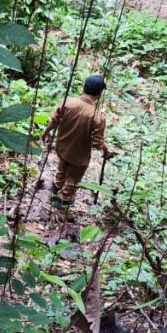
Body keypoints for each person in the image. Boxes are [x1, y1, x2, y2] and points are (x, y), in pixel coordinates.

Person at [40, 74, 117, 223]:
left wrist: (45, 132)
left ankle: (55, 189)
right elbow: (97, 142)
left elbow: (54, 120)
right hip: (79, 155)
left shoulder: (67, 102)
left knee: (62, 169)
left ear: (84, 87)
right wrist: (106, 151)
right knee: (73, 180)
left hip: (62, 148)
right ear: (99, 93)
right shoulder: (97, 117)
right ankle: (62, 205)